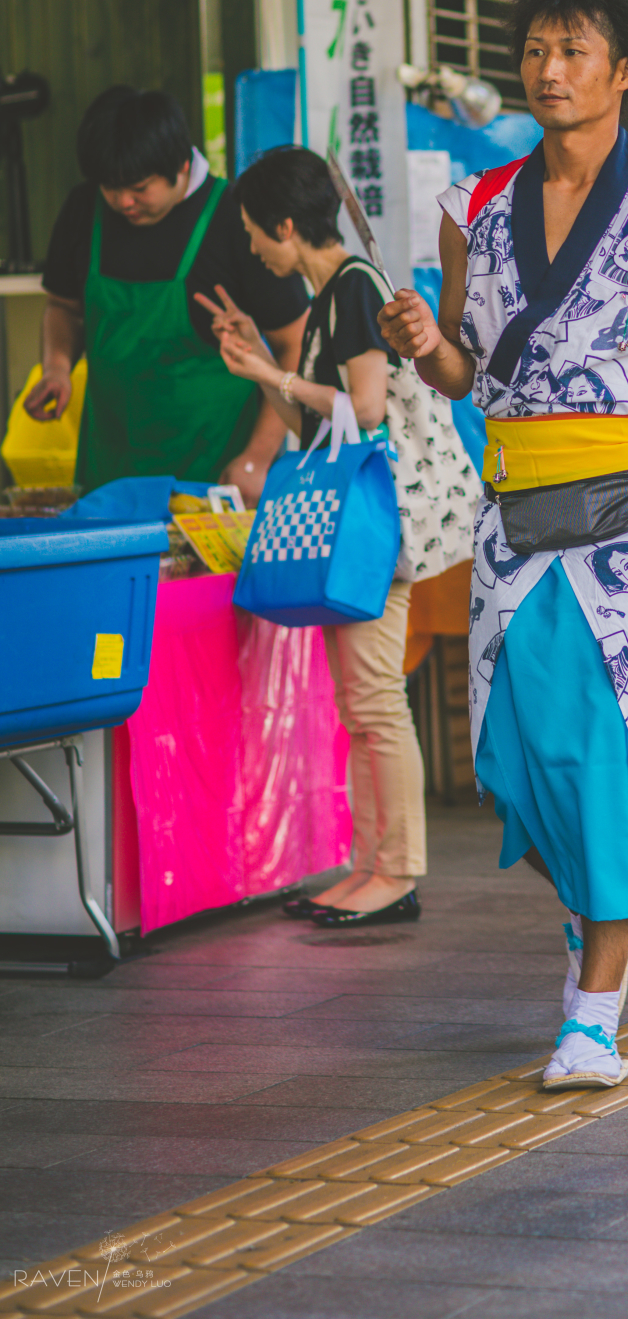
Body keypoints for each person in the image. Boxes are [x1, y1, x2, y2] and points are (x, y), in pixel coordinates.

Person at [379, 0, 628, 1090]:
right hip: (516, 514)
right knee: (517, 751)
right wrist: (419, 342)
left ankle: (595, 1007)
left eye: (575, 50)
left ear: (624, 71)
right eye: (538, 49)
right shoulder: (478, 206)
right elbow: (461, 362)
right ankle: (593, 918)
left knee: (607, 747)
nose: (550, 68)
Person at [203, 145, 428, 926]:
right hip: (356, 525)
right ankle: (372, 865)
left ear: (288, 225)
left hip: (371, 524)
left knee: (373, 702)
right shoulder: (334, 294)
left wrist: (271, 375)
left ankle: (394, 872)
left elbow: (363, 410)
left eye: (255, 234)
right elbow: (318, 418)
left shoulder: (354, 287)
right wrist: (263, 358)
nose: (255, 249)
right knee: (361, 704)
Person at [24, 86, 307, 497]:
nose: (123, 201)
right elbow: (62, 306)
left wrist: (257, 457)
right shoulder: (84, 208)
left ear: (179, 164)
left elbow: (293, 343)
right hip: (111, 468)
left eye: (138, 187)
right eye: (110, 186)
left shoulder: (235, 215)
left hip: (217, 470)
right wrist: (56, 367)